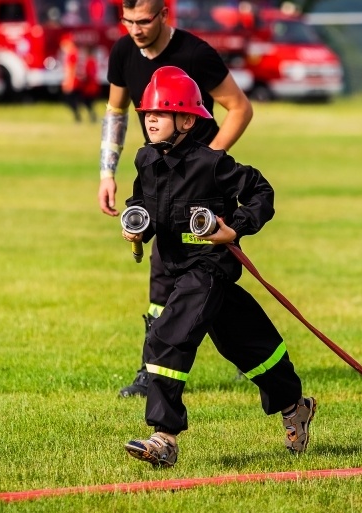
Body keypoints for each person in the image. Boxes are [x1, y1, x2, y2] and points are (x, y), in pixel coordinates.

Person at [121, 66, 315, 467]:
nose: (150, 119)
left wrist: (236, 228)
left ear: (187, 120)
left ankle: (165, 437)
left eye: (160, 112)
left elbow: (262, 192)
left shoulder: (211, 164)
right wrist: (137, 222)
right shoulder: (146, 160)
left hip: (209, 268)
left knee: (166, 338)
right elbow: (143, 202)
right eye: (147, 113)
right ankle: (296, 404)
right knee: (251, 347)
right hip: (176, 271)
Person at [98, 0, 253, 398]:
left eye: (144, 20)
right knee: (163, 276)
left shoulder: (195, 54)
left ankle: (247, 354)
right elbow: (116, 111)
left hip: (202, 200)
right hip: (159, 184)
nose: (135, 28)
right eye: (128, 20)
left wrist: (206, 166)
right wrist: (107, 172)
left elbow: (239, 108)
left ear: (164, 14)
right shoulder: (122, 52)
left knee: (210, 278)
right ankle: (151, 371)